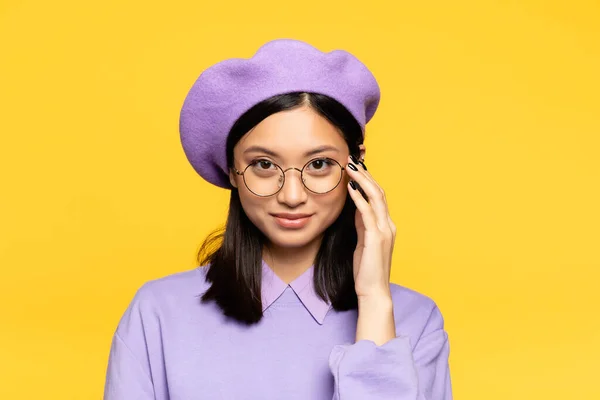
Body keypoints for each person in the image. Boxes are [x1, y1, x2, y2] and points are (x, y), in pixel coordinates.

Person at [103, 38, 453, 400]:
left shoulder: (416, 322)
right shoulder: (158, 314)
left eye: (319, 164)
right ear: (232, 170)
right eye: (264, 165)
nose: (291, 195)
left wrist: (374, 301)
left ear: (356, 165)